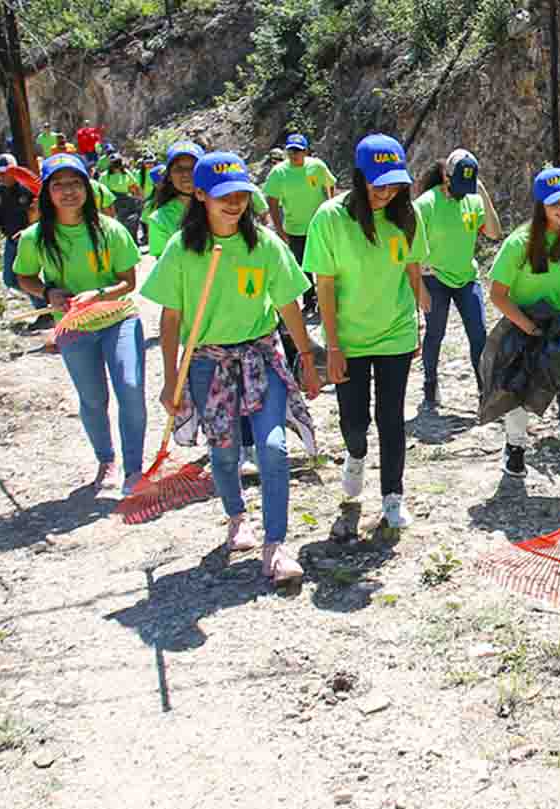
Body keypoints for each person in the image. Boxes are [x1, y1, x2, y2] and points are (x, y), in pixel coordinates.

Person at [143, 151, 323, 585]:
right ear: (200, 195)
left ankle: (276, 547)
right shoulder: (182, 250)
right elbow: (170, 320)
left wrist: (307, 359)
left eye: (241, 193)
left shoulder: (264, 244)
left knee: (274, 448)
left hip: (262, 356)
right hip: (207, 363)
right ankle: (236, 516)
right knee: (223, 450)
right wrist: (173, 380)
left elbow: (288, 305)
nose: (234, 202)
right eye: (223, 194)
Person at [305, 133, 428, 530]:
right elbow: (324, 284)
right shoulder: (329, 218)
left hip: (395, 332)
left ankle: (393, 496)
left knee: (391, 418)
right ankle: (355, 456)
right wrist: (333, 345)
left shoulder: (407, 217)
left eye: (395, 183)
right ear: (359, 178)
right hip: (350, 339)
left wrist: (419, 322)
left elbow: (411, 270)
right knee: (354, 421)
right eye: (378, 183)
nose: (387, 192)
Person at [11, 153, 147, 495]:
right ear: (47, 192)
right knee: (92, 398)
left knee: (130, 389)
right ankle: (106, 461)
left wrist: (99, 294)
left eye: (75, 183)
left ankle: (135, 469)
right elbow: (23, 276)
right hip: (72, 326)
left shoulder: (109, 229)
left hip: (118, 319)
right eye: (58, 184)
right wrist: (48, 292)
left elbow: (128, 281)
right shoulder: (35, 237)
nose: (68, 191)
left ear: (88, 188)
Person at [487, 166, 560, 497]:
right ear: (540, 206)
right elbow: (498, 294)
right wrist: (528, 328)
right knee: (520, 394)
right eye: (556, 203)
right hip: (525, 324)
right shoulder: (519, 243)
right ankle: (515, 447)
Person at [412, 149, 500, 411]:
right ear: (446, 176)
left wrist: (482, 193)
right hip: (434, 278)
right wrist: (420, 291)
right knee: (435, 334)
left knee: (479, 336)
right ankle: (430, 386)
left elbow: (494, 233)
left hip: (467, 278)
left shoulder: (472, 199)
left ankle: (485, 390)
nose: (464, 191)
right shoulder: (425, 204)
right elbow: (412, 249)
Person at [262, 133, 338, 315]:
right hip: (295, 229)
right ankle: (309, 300)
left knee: (324, 264)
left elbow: (330, 184)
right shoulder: (279, 173)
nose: (294, 154)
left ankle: (327, 300)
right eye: (291, 151)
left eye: (298, 151)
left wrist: (329, 206)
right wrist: (279, 229)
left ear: (306, 151)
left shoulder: (317, 166)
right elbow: (271, 201)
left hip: (320, 227)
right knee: (302, 267)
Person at [0, 154, 45, 312]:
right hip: (12, 241)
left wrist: (29, 230)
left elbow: (45, 214)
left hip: (33, 239)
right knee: (10, 280)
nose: (0, 176)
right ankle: (47, 299)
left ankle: (45, 310)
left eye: (4, 172)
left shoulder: (29, 189)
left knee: (29, 276)